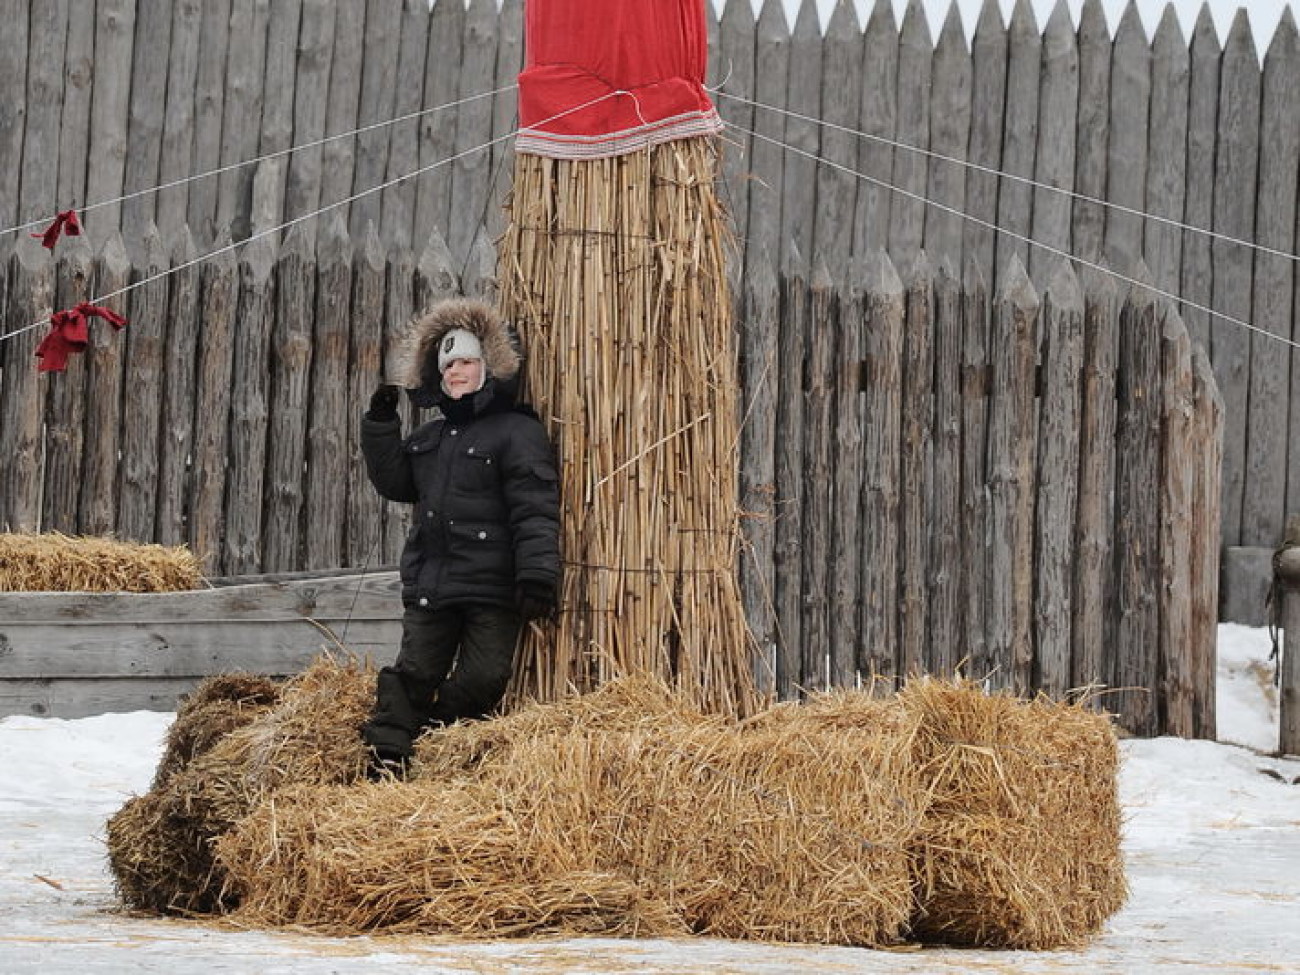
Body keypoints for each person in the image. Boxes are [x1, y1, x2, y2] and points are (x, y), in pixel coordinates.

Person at [358, 298, 560, 777]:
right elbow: (396, 483)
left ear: (489, 367)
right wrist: (381, 427)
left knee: (486, 676)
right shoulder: (433, 436)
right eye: (448, 365)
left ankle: (430, 731)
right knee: (413, 673)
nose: (456, 372)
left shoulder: (516, 432)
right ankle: (386, 757)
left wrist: (536, 576)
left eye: (466, 362)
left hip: (492, 586)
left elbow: (534, 506)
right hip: (432, 584)